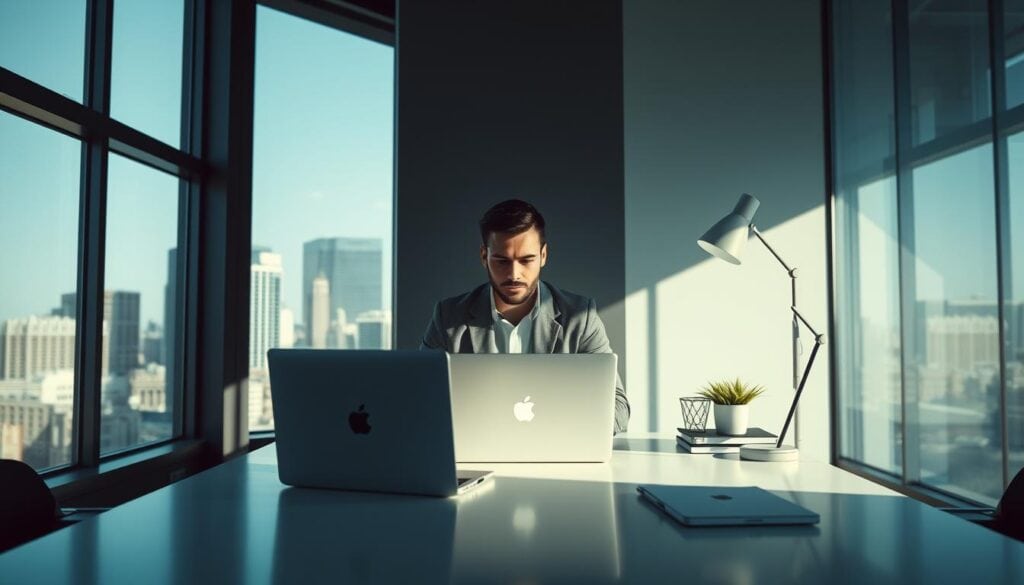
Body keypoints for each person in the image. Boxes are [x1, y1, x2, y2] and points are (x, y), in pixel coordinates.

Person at [420, 199, 630, 433]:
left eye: (526, 260)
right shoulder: (448, 317)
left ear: (543, 255)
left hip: (556, 453)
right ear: (483, 256)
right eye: (501, 261)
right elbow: (420, 401)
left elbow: (619, 409)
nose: (514, 274)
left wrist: (548, 430)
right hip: (477, 457)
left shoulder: (581, 317)